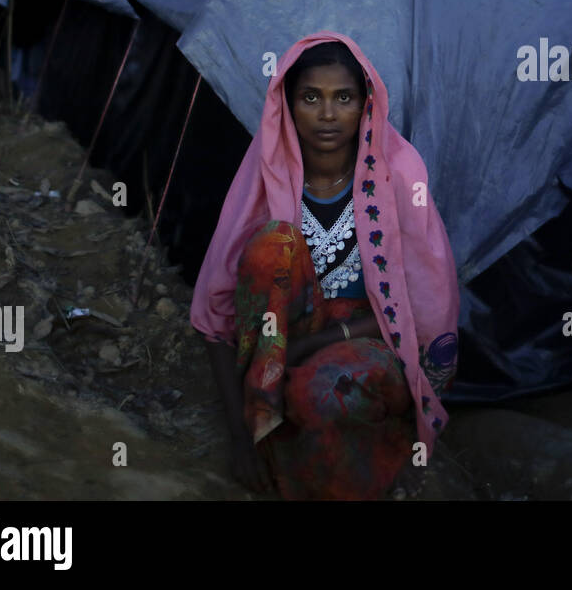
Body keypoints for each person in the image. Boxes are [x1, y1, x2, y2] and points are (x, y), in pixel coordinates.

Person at [191, 31, 459, 499]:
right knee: (273, 244)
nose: (329, 114)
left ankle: (374, 454)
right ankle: (264, 429)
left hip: (369, 341)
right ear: (287, 105)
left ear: (366, 105)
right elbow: (215, 323)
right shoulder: (265, 175)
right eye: (311, 97)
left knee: (324, 389)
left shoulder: (398, 176)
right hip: (283, 339)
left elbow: (418, 313)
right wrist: (238, 437)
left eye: (344, 98)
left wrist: (317, 343)